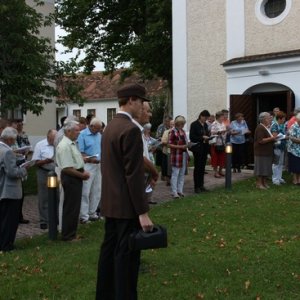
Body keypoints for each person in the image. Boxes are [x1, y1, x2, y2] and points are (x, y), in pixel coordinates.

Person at [96, 83, 153, 300]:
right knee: (126, 262)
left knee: (109, 256)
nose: (142, 106)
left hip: (111, 204)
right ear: (131, 101)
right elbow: (133, 175)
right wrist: (143, 212)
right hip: (126, 207)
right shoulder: (130, 130)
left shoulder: (111, 126)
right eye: (141, 101)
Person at [56, 121, 90, 241]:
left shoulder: (72, 143)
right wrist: (82, 175)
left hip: (75, 176)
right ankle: (68, 235)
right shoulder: (65, 145)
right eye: (76, 130)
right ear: (68, 131)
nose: (79, 132)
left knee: (74, 206)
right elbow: (67, 168)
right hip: (71, 177)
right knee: (71, 207)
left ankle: (71, 233)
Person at [0, 127, 28, 251]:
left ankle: (4, 243)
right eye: (14, 140)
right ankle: (7, 245)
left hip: (3, 189)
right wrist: (23, 169)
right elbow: (12, 172)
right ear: (10, 139)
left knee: (4, 219)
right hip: (10, 190)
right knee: (10, 220)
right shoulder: (7, 152)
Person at [77, 118, 102, 224]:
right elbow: (80, 153)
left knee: (97, 189)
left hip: (98, 164)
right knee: (85, 191)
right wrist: (91, 159)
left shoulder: (99, 135)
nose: (99, 130)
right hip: (88, 164)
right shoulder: (82, 135)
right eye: (97, 128)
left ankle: (92, 213)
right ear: (91, 126)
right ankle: (84, 216)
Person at [31, 129, 57, 230]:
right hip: (43, 171)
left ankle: (55, 218)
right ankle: (44, 220)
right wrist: (45, 161)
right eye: (52, 139)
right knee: (44, 197)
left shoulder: (58, 144)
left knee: (57, 196)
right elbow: (35, 162)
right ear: (48, 137)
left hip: (56, 172)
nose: (54, 141)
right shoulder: (40, 145)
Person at [189, 110, 211, 193]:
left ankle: (201, 185)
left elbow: (207, 134)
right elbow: (192, 137)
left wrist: (209, 137)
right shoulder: (194, 124)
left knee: (202, 168)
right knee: (197, 167)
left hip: (204, 147)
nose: (206, 119)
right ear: (201, 116)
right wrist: (202, 138)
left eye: (207, 118)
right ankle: (196, 186)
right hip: (197, 148)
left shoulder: (205, 125)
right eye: (205, 118)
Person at [254, 112, 276, 189]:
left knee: (266, 168)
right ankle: (259, 184)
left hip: (267, 152)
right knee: (261, 168)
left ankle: (264, 183)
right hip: (261, 152)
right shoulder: (260, 127)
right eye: (268, 118)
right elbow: (260, 140)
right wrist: (272, 138)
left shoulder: (266, 127)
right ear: (263, 119)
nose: (270, 119)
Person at [169, 115, 189, 198]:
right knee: (175, 173)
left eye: (183, 123)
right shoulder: (173, 132)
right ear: (178, 123)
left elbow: (186, 142)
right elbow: (169, 144)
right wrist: (180, 147)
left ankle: (180, 190)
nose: (183, 125)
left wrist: (188, 145)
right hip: (176, 155)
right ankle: (174, 192)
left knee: (182, 173)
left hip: (183, 154)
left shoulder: (183, 132)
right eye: (182, 123)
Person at [270, 111, 288, 185]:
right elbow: (274, 136)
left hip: (282, 146)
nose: (284, 120)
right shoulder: (274, 125)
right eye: (283, 118)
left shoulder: (282, 125)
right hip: (276, 146)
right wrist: (284, 136)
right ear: (279, 119)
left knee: (280, 163)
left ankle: (279, 177)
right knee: (276, 163)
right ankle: (275, 179)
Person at [210, 111, 227, 178]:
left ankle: (220, 170)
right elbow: (212, 133)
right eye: (222, 116)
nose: (223, 117)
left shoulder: (222, 123)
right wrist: (219, 132)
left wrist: (225, 132)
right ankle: (215, 172)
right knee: (215, 158)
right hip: (216, 143)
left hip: (222, 142)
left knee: (222, 157)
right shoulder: (214, 123)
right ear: (218, 117)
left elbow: (225, 132)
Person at [287, 112, 300, 185]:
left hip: (299, 149)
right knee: (295, 166)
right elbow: (292, 138)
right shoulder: (293, 126)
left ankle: (299, 180)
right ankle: (295, 180)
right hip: (293, 150)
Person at [161, 119, 174, 186]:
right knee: (167, 167)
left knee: (173, 167)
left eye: (174, 124)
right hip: (167, 151)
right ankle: (168, 181)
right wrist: (169, 142)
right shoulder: (166, 132)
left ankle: (174, 180)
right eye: (171, 124)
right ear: (169, 125)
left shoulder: (177, 132)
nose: (172, 126)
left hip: (175, 152)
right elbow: (163, 141)